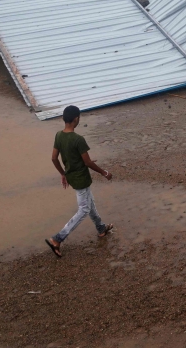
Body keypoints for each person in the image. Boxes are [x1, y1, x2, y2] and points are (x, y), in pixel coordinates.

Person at [45, 105, 114, 257]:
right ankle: (58, 238)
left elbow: (54, 158)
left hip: (72, 176)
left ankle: (101, 228)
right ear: (76, 119)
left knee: (90, 204)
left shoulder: (59, 135)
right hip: (80, 179)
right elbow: (88, 162)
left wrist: (63, 173)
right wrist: (104, 172)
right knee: (84, 209)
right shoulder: (78, 139)